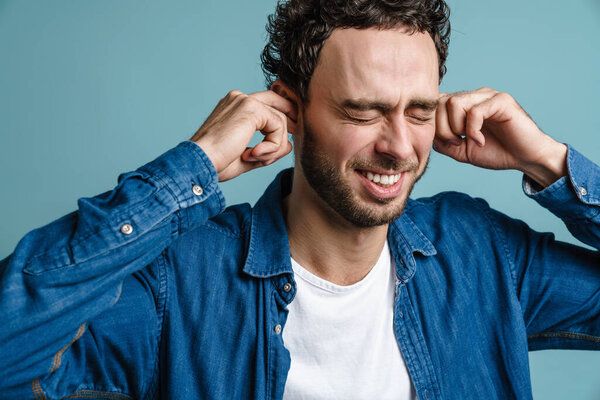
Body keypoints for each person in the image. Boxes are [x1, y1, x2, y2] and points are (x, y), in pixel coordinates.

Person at [1, 0, 599, 398]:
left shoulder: (481, 254)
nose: (398, 147)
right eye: (362, 112)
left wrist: (547, 161)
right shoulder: (180, 283)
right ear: (292, 108)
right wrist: (193, 168)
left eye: (418, 111)